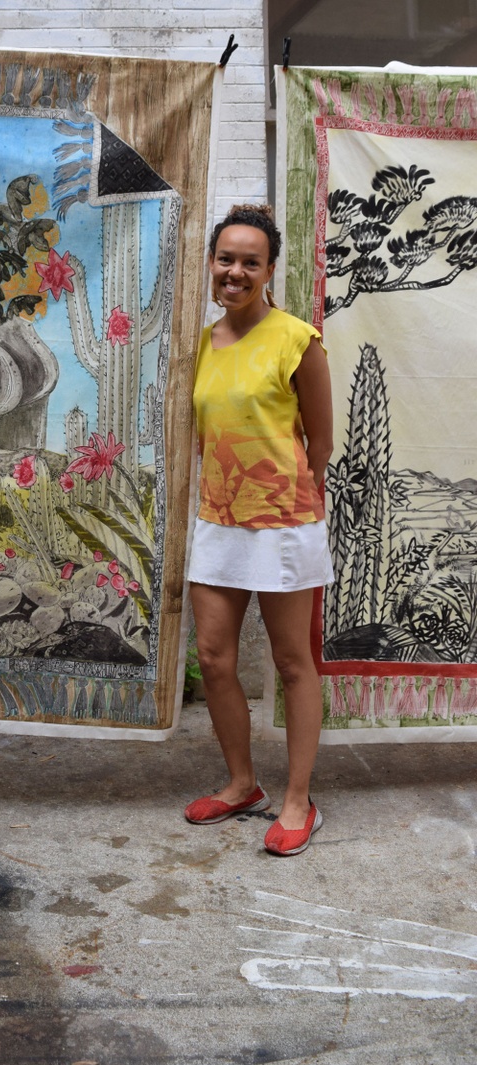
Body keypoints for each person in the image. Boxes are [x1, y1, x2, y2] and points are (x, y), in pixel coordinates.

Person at [184, 203, 333, 857]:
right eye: (226, 258)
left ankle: (299, 799)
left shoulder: (298, 338)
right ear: (212, 264)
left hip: (281, 524)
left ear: (270, 269)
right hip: (217, 520)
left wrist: (285, 498)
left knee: (293, 663)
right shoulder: (204, 341)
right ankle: (243, 782)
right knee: (215, 658)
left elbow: (321, 443)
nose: (235, 270)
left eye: (250, 260)